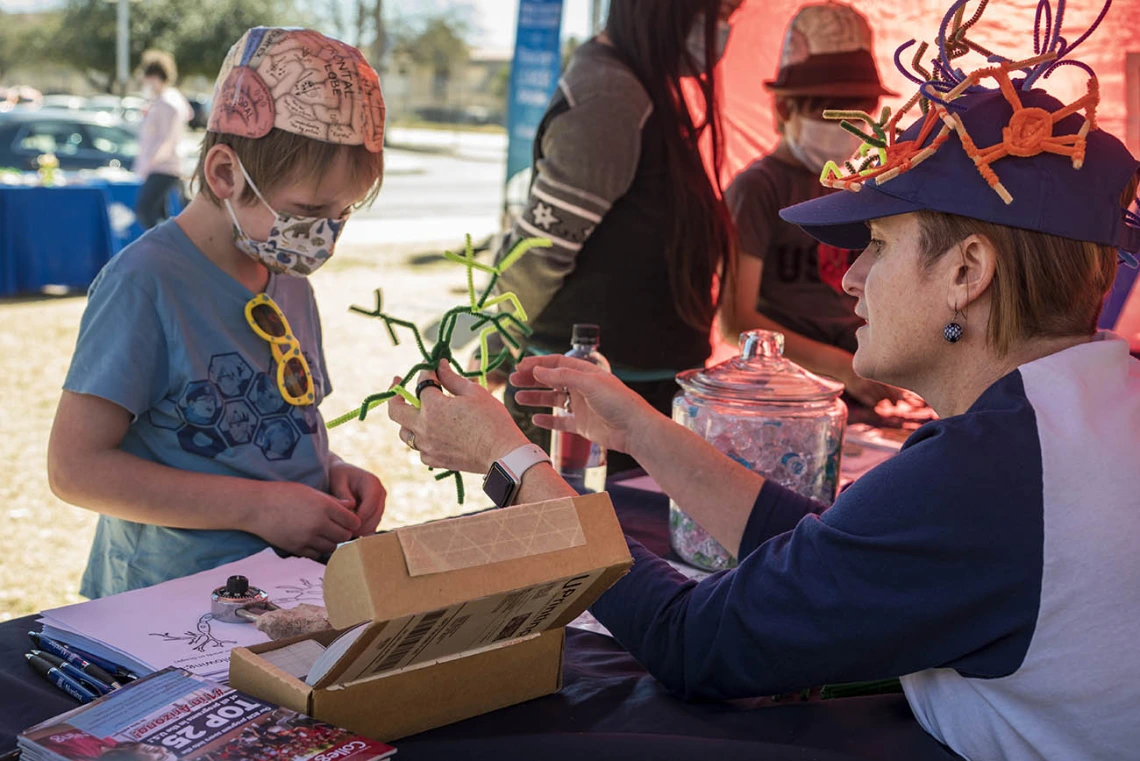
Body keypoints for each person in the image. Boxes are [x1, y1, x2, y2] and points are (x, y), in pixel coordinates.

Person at [388, 1, 1140, 756]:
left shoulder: (987, 474)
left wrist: (510, 462)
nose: (852, 279)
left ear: (967, 272)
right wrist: (640, 429)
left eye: (877, 244)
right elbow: (831, 550)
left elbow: (693, 644)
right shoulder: (1078, 414)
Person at [47, 27, 388, 598]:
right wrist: (261, 506)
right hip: (169, 601)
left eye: (343, 212)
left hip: (281, 590)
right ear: (225, 174)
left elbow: (261, 434)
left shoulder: (287, 279)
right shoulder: (145, 283)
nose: (326, 233)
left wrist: (329, 473)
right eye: (310, 210)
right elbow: (75, 470)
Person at [481, 0, 742, 471]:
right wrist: (492, 355)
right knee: (575, 539)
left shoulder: (639, 84)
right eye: (718, 11)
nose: (723, 29)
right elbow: (538, 253)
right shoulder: (610, 93)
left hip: (628, 393)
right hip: (590, 405)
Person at [721, 2, 900, 409]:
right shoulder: (758, 189)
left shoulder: (861, 185)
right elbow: (736, 321)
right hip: (782, 390)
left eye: (860, 110)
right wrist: (839, 367)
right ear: (785, 108)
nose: (847, 124)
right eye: (829, 109)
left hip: (860, 382)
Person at [134, 51, 192, 229]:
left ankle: (161, 248)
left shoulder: (168, 103)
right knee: (160, 215)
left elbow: (168, 138)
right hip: (162, 166)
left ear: (154, 77)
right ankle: (164, 249)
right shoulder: (162, 101)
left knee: (145, 210)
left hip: (163, 167)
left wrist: (149, 163)